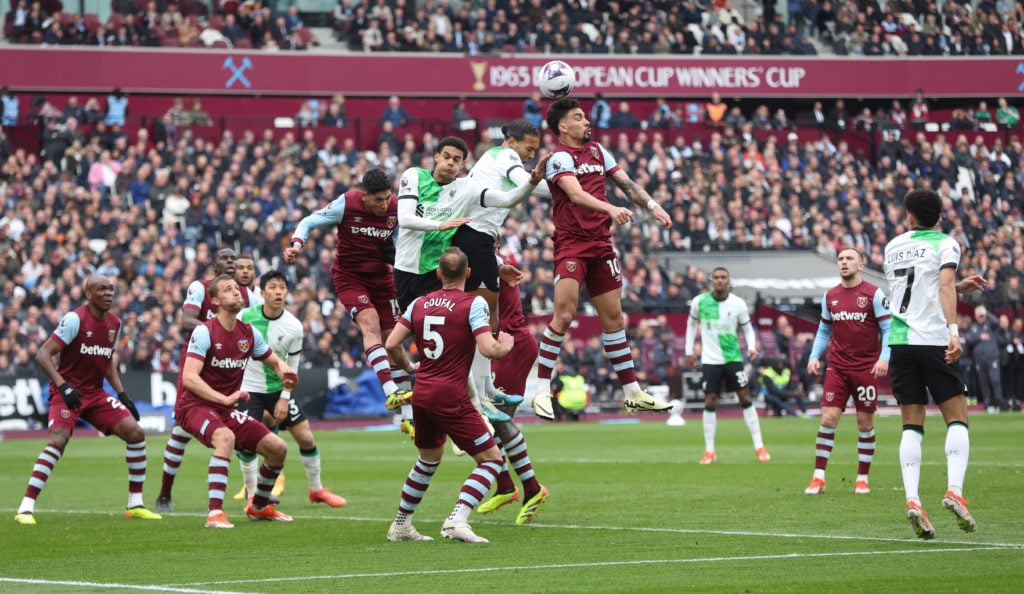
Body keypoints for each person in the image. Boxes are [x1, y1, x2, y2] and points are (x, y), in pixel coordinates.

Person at [530, 97, 673, 421]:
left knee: (614, 321)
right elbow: (576, 194)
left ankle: (632, 393)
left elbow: (627, 184)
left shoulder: (597, 151)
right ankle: (541, 390)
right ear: (563, 127)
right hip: (571, 246)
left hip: (601, 245)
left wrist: (652, 207)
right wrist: (611, 209)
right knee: (564, 315)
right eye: (579, 117)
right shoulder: (558, 158)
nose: (586, 121)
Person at [384, 247, 515, 543]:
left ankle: (401, 525)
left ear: (438, 273)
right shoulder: (473, 304)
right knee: (492, 460)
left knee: (428, 459)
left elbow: (391, 343)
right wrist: (505, 345)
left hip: (422, 394)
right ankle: (456, 520)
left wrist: (409, 366)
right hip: (450, 395)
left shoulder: (418, 302)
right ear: (468, 274)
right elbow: (487, 348)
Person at [14, 275, 161, 525]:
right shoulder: (75, 319)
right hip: (67, 393)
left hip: (95, 394)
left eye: (111, 289)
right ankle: (25, 508)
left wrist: (122, 394)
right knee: (59, 440)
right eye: (101, 289)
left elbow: (107, 363)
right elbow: (43, 354)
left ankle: (135, 503)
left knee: (136, 433)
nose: (107, 293)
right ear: (89, 294)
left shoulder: (115, 323)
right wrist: (63, 387)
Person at [883, 188, 986, 539]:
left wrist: (958, 286)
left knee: (911, 424)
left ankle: (913, 500)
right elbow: (939, 286)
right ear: (939, 215)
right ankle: (954, 491)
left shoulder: (893, 246)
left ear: (908, 215)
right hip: (933, 341)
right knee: (957, 416)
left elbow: (911, 291)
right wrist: (954, 332)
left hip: (900, 343)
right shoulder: (946, 243)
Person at [284, 169, 415, 426]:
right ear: (364, 196)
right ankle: (390, 392)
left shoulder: (397, 208)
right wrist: (297, 244)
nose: (384, 204)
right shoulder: (347, 203)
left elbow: (401, 246)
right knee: (370, 324)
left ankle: (407, 417)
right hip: (350, 277)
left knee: (393, 342)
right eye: (378, 199)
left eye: (387, 197)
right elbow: (309, 221)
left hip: (382, 278)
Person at [175, 273, 299, 528]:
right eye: (229, 289)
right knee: (226, 438)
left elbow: (274, 361)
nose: (237, 292)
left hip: (225, 408)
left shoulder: (248, 332)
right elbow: (189, 378)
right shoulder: (204, 332)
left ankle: (259, 507)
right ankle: (214, 515)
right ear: (216, 300)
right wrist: (224, 398)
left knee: (278, 449)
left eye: (237, 289)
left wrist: (285, 372)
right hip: (194, 407)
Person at [233, 270, 347, 508]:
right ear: (262, 293)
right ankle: (252, 494)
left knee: (306, 438)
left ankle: (316, 490)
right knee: (246, 444)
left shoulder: (294, 326)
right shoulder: (244, 317)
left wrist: (284, 398)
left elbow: (292, 367)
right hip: (249, 390)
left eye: (282, 287)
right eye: (272, 287)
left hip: (277, 390)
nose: (278, 292)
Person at [458, 119, 551, 407]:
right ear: (511, 141)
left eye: (536, 151)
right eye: (529, 148)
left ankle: (485, 390)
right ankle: (475, 399)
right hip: (473, 239)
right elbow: (529, 185)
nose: (531, 155)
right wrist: (570, 186)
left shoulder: (491, 160)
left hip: (477, 240)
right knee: (481, 324)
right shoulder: (505, 156)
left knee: (489, 322)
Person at [157, 247, 249, 513]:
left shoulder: (244, 295)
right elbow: (186, 319)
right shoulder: (200, 287)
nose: (230, 263)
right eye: (225, 259)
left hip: (229, 366)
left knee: (242, 427)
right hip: (199, 362)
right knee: (182, 429)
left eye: (234, 259)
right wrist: (214, 330)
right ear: (214, 264)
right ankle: (165, 493)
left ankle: (253, 492)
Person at [805, 246, 891, 496]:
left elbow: (887, 330)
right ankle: (818, 477)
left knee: (865, 424)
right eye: (840, 259)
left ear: (861, 265)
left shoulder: (874, 294)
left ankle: (862, 477)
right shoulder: (830, 296)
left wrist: (884, 358)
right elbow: (824, 331)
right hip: (837, 368)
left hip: (865, 369)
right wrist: (814, 356)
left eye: (849, 258)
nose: (844, 262)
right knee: (828, 419)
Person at [475, 254, 548, 524]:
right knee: (486, 423)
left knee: (493, 421)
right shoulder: (489, 258)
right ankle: (511, 487)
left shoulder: (487, 260)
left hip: (509, 345)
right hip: (500, 345)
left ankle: (527, 488)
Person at [684, 267, 770, 464]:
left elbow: (748, 329)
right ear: (711, 281)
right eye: (716, 278)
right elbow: (690, 326)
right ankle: (709, 451)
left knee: (745, 397)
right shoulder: (700, 302)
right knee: (710, 401)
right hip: (710, 360)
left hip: (733, 358)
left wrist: (751, 346)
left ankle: (759, 446)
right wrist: (688, 351)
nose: (720, 281)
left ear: (728, 280)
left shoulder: (738, 304)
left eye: (723, 278)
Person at [967, 305, 1007, 414]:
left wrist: (987, 312)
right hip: (980, 359)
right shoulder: (973, 327)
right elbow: (969, 340)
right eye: (979, 316)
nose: (981, 317)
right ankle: (987, 402)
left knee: (995, 380)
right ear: (975, 316)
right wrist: (980, 337)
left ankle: (999, 401)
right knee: (983, 382)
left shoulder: (990, 325)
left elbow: (996, 322)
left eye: (982, 315)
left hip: (992, 357)